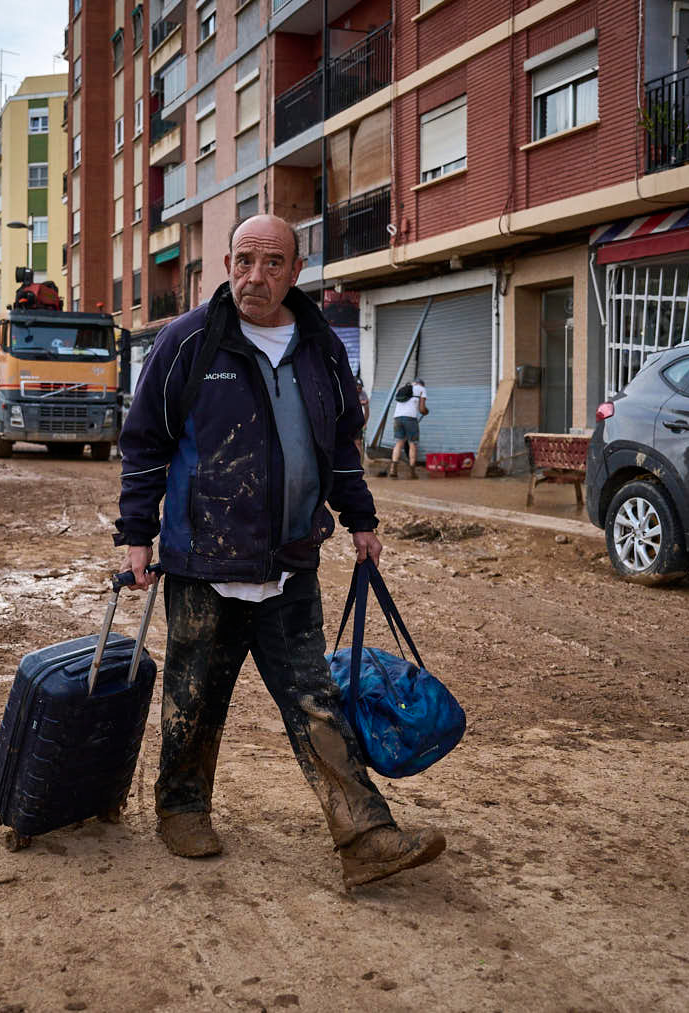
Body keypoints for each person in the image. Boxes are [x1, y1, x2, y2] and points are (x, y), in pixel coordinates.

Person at [115, 214, 446, 889]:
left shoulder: (322, 348)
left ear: (297, 270)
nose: (254, 276)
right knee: (194, 693)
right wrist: (134, 534)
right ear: (225, 264)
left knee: (314, 697)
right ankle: (181, 808)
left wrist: (360, 519)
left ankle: (365, 834)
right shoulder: (188, 344)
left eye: (271, 263)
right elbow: (145, 443)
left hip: (292, 562)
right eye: (243, 260)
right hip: (204, 562)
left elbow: (342, 446)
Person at [389, 377, 427, 479]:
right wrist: (426, 411)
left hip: (397, 418)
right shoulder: (422, 389)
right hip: (410, 418)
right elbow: (422, 409)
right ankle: (412, 472)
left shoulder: (403, 388)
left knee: (399, 443)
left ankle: (393, 469)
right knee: (412, 444)